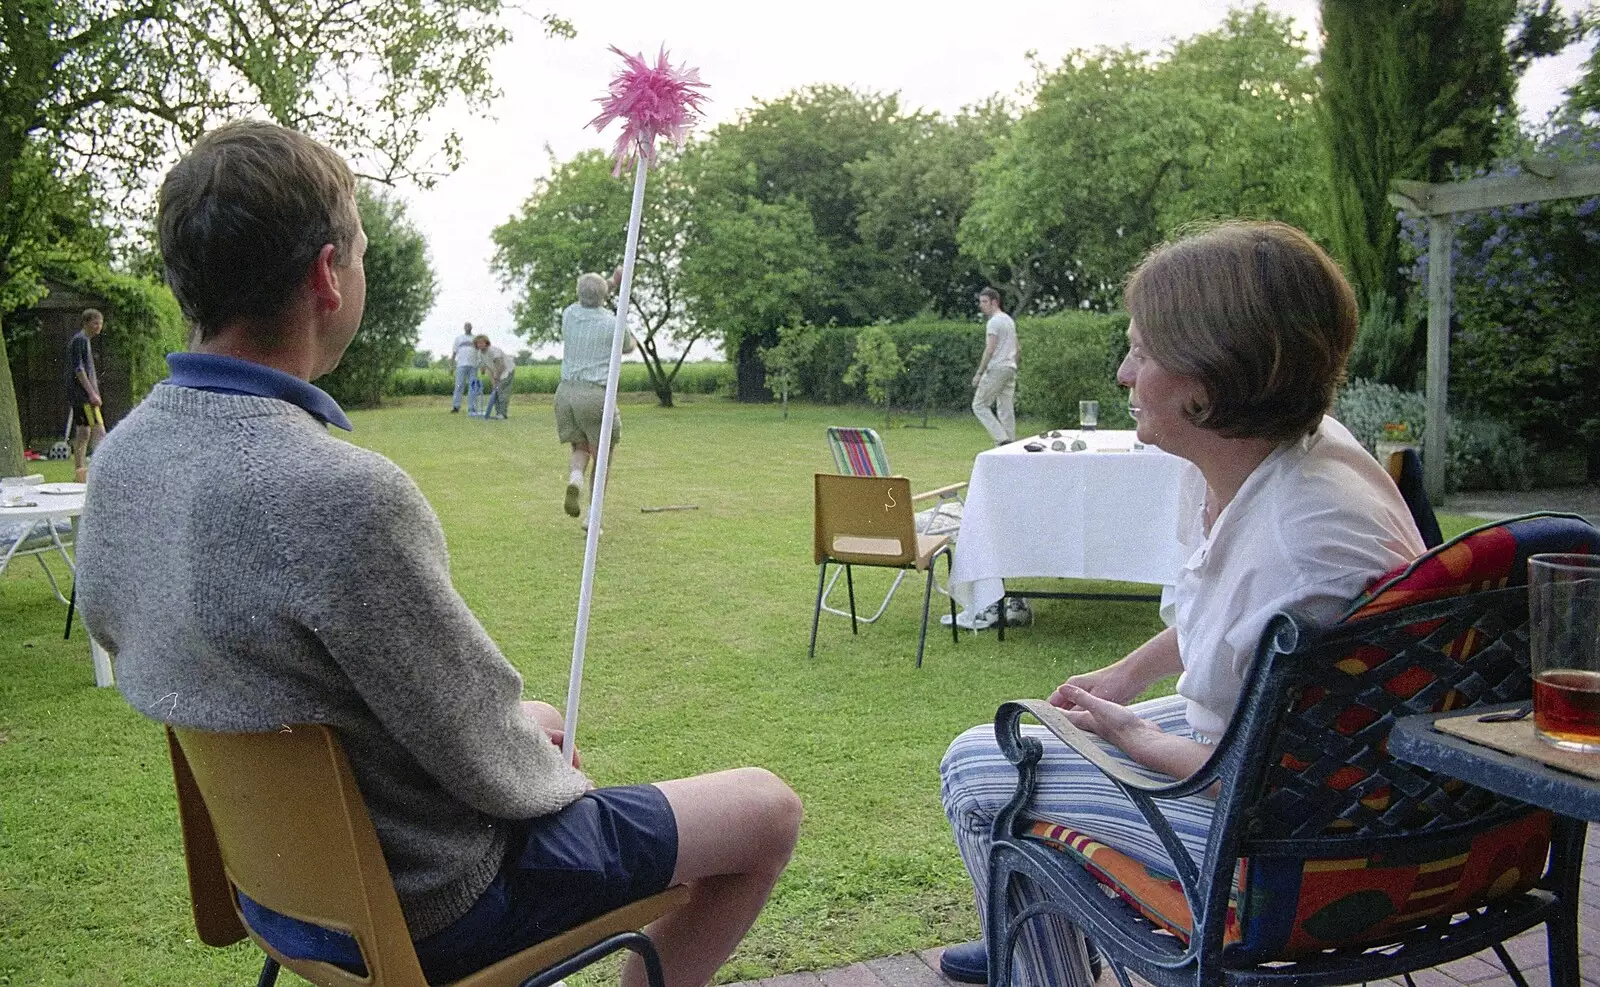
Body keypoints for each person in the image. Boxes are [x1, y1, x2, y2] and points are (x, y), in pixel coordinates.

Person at [74, 120, 801, 987]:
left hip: (277, 894)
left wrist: (518, 734)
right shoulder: (343, 495)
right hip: (431, 903)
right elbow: (497, 765)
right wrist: (536, 750)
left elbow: (139, 643)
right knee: (765, 809)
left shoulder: (122, 459)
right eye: (362, 252)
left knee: (545, 728)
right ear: (326, 277)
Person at [936, 222, 1426, 987]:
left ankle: (1035, 949)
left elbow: (1246, 780)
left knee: (978, 769)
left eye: (1142, 350)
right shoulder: (1288, 452)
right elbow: (1228, 617)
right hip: (1340, 772)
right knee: (1036, 738)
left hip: (1288, 835)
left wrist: (1129, 731)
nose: (1126, 372)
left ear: (1208, 377)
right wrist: (1128, 674)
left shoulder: (1296, 549)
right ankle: (1025, 923)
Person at [557, 268, 633, 529]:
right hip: (596, 395)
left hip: (566, 394)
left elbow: (592, 294)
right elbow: (629, 346)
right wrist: (620, 299)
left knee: (580, 447)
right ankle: (592, 516)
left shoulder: (569, 314)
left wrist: (612, 282)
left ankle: (575, 477)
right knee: (603, 458)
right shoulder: (613, 322)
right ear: (604, 297)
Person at [970, 287, 1019, 446]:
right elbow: (1018, 348)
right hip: (1010, 367)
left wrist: (979, 373)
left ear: (995, 302)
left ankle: (1002, 439)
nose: (981, 305)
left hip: (997, 367)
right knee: (1005, 407)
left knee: (979, 405)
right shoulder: (1009, 321)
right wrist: (1013, 364)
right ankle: (1010, 444)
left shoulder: (994, 322)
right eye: (980, 302)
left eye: (985, 302)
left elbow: (990, 349)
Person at [66, 308, 107, 483]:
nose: (99, 326)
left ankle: (80, 473)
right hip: (82, 396)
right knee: (99, 431)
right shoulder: (80, 341)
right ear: (86, 323)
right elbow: (79, 369)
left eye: (101, 323)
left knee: (83, 433)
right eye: (95, 323)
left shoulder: (83, 341)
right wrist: (92, 393)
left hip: (81, 395)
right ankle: (99, 470)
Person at [476, 335, 515, 420]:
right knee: (496, 391)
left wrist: (497, 376)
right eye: (478, 343)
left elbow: (501, 365)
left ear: (486, 343)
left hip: (507, 371)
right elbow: (487, 369)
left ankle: (502, 414)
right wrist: (493, 381)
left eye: (481, 342)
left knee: (502, 391)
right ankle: (498, 413)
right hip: (496, 372)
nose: (479, 345)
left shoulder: (494, 350)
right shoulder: (480, 354)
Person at [450, 322, 479, 413]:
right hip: (461, 365)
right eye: (466, 326)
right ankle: (456, 406)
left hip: (473, 366)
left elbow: (480, 353)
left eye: (469, 326)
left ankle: (472, 407)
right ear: (464, 328)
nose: (468, 327)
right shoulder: (458, 339)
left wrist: (482, 364)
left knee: (472, 387)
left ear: (471, 327)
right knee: (459, 386)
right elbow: (454, 353)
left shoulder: (476, 339)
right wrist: (451, 366)